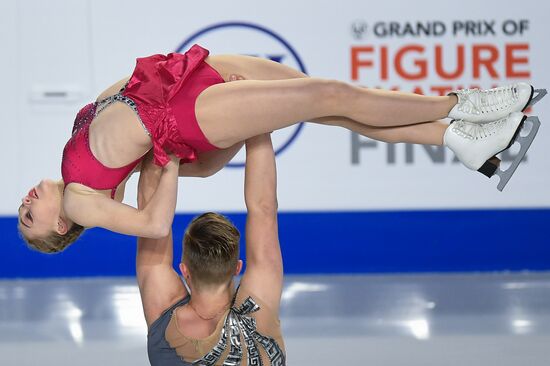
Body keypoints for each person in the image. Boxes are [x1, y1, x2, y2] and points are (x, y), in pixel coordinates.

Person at [18, 44, 541, 253]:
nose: (26, 204)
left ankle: (461, 140)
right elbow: (155, 225)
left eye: (22, 210)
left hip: (188, 78)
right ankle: (465, 104)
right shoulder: (79, 200)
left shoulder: (98, 167)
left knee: (332, 106)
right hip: (182, 114)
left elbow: (124, 92)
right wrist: (171, 157)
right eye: (28, 217)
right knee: (331, 95)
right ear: (61, 226)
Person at [137, 133, 285, 365]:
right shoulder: (259, 309)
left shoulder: (163, 315)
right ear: (237, 267)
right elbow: (264, 209)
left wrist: (164, 149)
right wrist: (258, 125)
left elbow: (151, 221)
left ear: (185, 270)